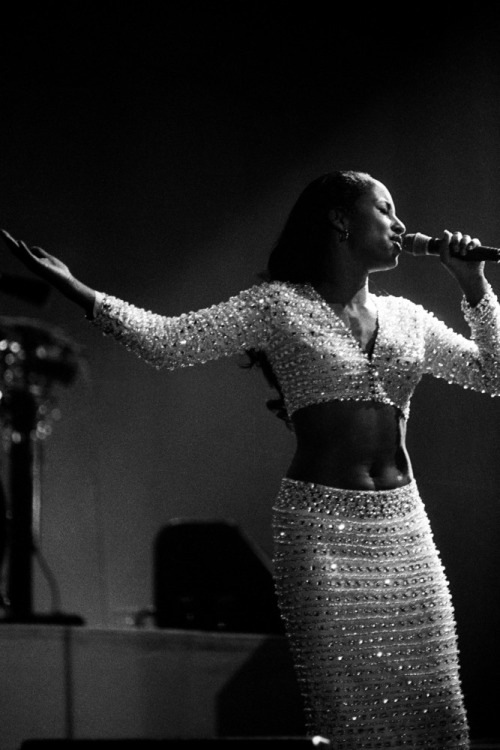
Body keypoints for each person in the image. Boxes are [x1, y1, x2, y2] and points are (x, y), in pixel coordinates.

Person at [2, 170, 498, 749]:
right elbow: (170, 341)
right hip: (322, 535)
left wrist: (474, 287)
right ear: (340, 220)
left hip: (405, 532)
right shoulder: (277, 306)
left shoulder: (409, 318)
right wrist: (75, 288)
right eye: (385, 209)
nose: (401, 224)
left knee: (436, 710)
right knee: (344, 718)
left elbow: (494, 373)